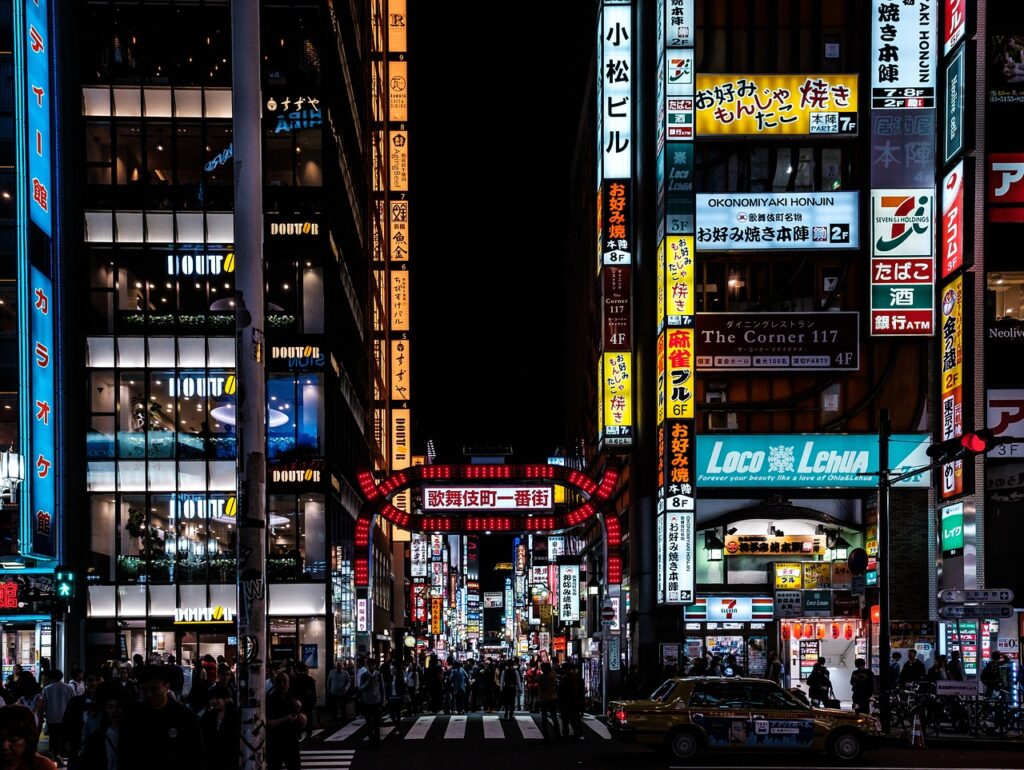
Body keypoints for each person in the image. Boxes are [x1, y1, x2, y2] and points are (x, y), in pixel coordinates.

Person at [129, 664, 206, 770]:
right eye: (144, 690)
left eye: (154, 689)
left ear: (166, 687)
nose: (149, 694)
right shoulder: (133, 716)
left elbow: (196, 755)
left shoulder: (184, 717)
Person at [80, 683, 132, 770]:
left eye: (118, 706)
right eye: (110, 707)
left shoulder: (132, 733)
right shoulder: (97, 736)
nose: (114, 711)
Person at [266, 672, 305, 770]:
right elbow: (268, 723)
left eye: (285, 681)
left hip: (291, 742)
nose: (282, 684)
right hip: (275, 743)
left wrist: (298, 711)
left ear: (289, 683)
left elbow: (304, 722)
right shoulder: (270, 699)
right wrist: (286, 719)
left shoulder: (294, 698)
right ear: (275, 684)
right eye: (279, 682)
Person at [0, 704, 57, 770]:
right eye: (0, 739)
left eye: (13, 739)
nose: (4, 746)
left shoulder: (43, 766)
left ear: (28, 739)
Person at [39, 670, 74, 766]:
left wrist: (43, 714)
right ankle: (62, 757)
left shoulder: (47, 689)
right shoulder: (68, 688)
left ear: (51, 677)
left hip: (52, 718)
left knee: (53, 739)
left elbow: (44, 704)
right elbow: (73, 702)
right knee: (64, 738)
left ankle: (54, 758)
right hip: (65, 718)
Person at [199, 685, 236, 770]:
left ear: (225, 699)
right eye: (212, 698)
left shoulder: (234, 716)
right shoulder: (207, 716)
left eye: (217, 698)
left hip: (228, 759)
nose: (213, 701)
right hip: (211, 759)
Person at [358, 660, 383, 747]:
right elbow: (360, 688)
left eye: (372, 665)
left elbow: (382, 688)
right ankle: (371, 738)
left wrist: (383, 700)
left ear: (375, 666)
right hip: (367, 701)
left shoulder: (379, 675)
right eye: (369, 665)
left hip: (376, 701)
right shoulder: (364, 675)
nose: (371, 667)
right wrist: (368, 682)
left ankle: (377, 739)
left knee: (377, 722)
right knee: (368, 722)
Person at [290, 662, 316, 740]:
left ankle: (299, 734)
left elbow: (293, 693)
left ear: (297, 670)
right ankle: (309, 734)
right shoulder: (310, 679)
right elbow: (313, 693)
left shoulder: (295, 680)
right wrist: (313, 702)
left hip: (299, 704)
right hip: (308, 703)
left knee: (298, 720)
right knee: (309, 720)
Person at [557, 662, 582, 740]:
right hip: (570, 701)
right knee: (571, 718)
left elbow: (566, 690)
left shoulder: (569, 678)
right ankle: (573, 733)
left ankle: (568, 734)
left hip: (567, 701)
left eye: (564, 668)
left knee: (567, 719)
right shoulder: (572, 677)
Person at [535, 662, 559, 740]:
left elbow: (535, 678)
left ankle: (546, 735)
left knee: (544, 717)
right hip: (552, 697)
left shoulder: (541, 677)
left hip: (543, 699)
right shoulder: (553, 676)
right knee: (554, 716)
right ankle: (557, 733)